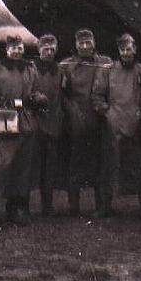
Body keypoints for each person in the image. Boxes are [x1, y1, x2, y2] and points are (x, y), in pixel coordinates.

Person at [0, 35, 46, 230]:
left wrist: (38, 99)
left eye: (20, 47)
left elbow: (36, 92)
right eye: (13, 48)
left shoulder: (30, 69)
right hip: (4, 119)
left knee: (23, 168)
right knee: (0, 167)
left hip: (26, 121)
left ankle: (16, 209)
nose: (16, 51)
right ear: (6, 50)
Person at [92, 33, 141, 219]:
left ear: (135, 50)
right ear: (118, 51)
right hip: (113, 126)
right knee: (110, 166)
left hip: (137, 125)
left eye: (129, 49)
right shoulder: (107, 70)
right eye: (123, 50)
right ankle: (105, 206)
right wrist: (108, 112)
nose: (126, 53)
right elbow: (97, 96)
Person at [60, 28, 111, 216]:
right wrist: (73, 113)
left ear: (94, 43)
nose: (84, 46)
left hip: (100, 121)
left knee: (101, 163)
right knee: (76, 163)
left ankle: (101, 206)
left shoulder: (105, 63)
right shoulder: (66, 65)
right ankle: (74, 206)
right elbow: (62, 95)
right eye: (80, 43)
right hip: (76, 122)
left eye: (87, 43)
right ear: (75, 45)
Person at [33, 33, 64, 216]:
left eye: (52, 49)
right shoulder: (31, 69)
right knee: (32, 166)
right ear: (39, 50)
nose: (49, 52)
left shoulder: (60, 70)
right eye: (45, 49)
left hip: (53, 123)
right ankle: (24, 205)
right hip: (36, 122)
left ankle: (48, 204)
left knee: (50, 167)